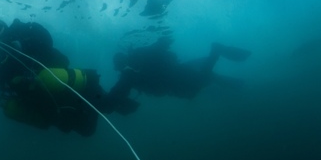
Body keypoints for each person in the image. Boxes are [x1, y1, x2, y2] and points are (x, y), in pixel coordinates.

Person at [0, 18, 111, 136]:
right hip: (50, 103)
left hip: (72, 87)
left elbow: (46, 39)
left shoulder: (27, 31)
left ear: (5, 27)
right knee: (85, 129)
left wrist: (22, 44)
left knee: (107, 103)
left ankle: (115, 98)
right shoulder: (1, 62)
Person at [105, 36, 251, 109]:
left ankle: (216, 50)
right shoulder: (137, 64)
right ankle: (236, 86)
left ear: (121, 63)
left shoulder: (131, 71)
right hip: (177, 75)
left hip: (176, 79)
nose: (116, 69)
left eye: (117, 66)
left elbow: (120, 90)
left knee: (203, 79)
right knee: (202, 82)